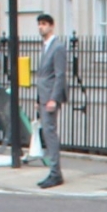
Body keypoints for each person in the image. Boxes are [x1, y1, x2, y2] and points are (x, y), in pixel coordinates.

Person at [32, 13, 67, 188]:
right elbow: (43, 76)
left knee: (50, 134)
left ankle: (55, 173)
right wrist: (39, 98)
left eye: (44, 24)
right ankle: (54, 171)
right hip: (44, 97)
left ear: (51, 26)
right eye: (39, 24)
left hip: (51, 98)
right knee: (47, 134)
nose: (41, 27)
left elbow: (60, 75)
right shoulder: (45, 46)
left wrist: (54, 99)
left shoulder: (57, 47)